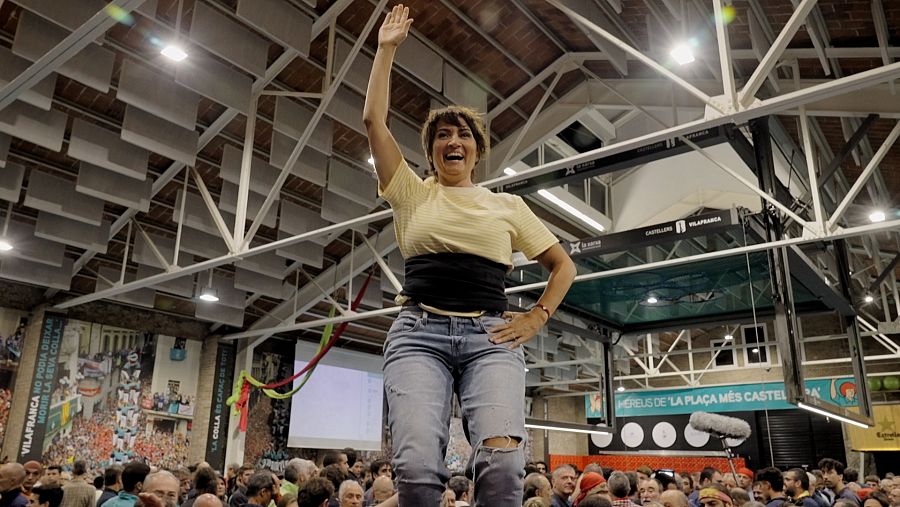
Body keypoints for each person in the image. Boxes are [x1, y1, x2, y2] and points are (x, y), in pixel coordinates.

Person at [363, 4, 575, 506]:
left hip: (490, 337)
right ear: (433, 151)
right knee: (415, 468)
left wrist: (538, 316)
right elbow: (373, 119)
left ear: (477, 151)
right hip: (419, 334)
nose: (452, 140)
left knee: (503, 468)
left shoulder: (507, 205)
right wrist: (386, 49)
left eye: (462, 135)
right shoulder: (413, 192)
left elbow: (564, 265)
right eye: (442, 135)